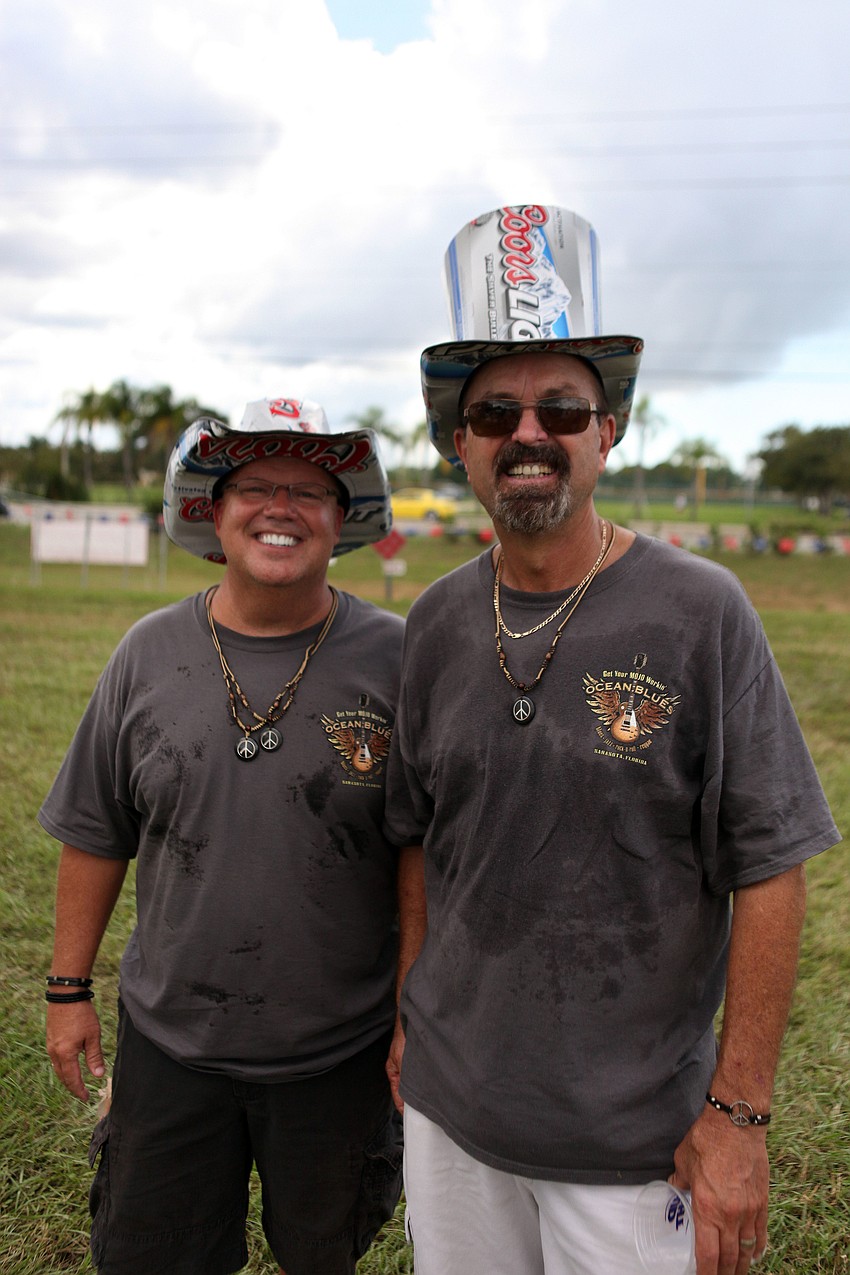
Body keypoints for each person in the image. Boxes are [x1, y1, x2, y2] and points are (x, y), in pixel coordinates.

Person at [383, 206, 841, 1275]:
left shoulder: (700, 610)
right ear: (460, 446)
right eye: (495, 413)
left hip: (633, 1143)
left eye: (562, 409)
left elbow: (770, 865)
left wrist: (738, 1115)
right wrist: (413, 1013)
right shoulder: (437, 624)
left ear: (609, 432)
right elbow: (416, 838)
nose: (527, 433)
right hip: (451, 1116)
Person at [40, 397, 405, 1275]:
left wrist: (414, 1013)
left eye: (309, 490)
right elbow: (95, 828)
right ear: (212, 509)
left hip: (339, 1050)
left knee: (323, 1251)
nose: (280, 507)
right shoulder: (146, 653)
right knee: (153, 1253)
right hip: (172, 1042)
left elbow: (428, 851)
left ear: (341, 517)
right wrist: (66, 989)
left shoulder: (400, 657)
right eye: (255, 487)